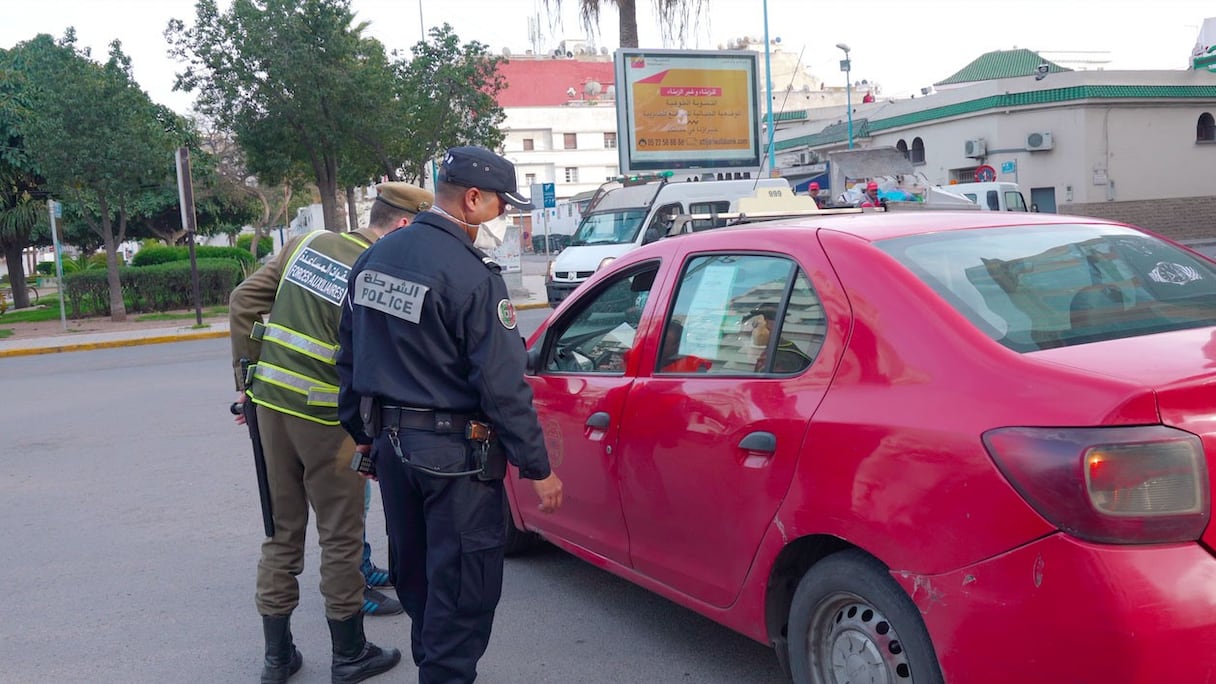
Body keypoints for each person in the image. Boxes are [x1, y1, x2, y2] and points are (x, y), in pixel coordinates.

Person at [336, 146, 564, 684]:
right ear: (472, 198)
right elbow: (502, 384)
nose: (504, 215)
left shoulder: (375, 258)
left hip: (392, 449)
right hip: (455, 459)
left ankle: (433, 667)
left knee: (418, 580)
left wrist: (363, 435)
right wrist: (539, 467)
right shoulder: (472, 273)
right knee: (463, 591)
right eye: (501, 205)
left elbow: (347, 353)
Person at [230, 181, 435, 684]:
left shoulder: (307, 244)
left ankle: (278, 659)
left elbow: (241, 303)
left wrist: (247, 384)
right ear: (404, 226)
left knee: (280, 536)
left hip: (270, 411)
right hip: (329, 423)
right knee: (341, 538)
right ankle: (349, 654)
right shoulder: (381, 275)